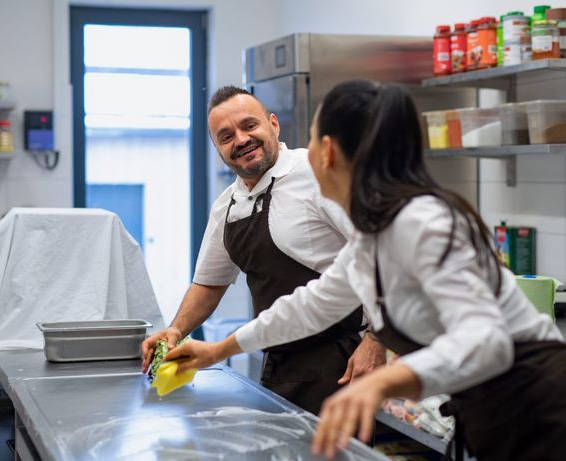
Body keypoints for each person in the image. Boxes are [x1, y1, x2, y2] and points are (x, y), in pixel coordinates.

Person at [164, 80, 566, 461]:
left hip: (558, 420)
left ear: (327, 152)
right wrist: (218, 349)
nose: (302, 151)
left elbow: (487, 342)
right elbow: (311, 305)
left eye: (309, 138)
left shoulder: (423, 221)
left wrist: (381, 382)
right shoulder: (375, 233)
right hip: (501, 421)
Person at [141, 85, 385, 415]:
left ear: (273, 124)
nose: (240, 140)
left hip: (341, 361)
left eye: (249, 125)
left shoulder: (316, 173)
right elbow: (209, 283)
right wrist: (176, 330)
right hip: (278, 361)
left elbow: (378, 251)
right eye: (226, 137)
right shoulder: (227, 206)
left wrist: (376, 340)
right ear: (218, 150)